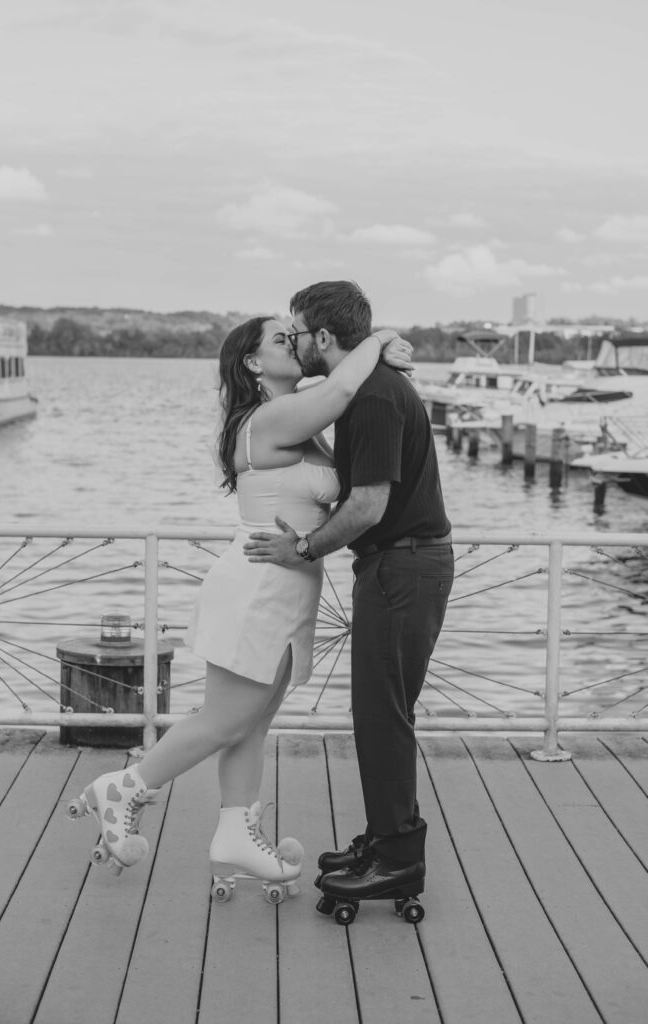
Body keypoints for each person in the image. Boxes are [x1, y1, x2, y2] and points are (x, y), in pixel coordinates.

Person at [67, 312, 412, 900]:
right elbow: (344, 388)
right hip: (258, 589)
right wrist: (378, 339)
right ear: (254, 364)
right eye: (281, 339)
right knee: (226, 719)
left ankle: (236, 835)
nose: (294, 342)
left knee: (251, 725)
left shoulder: (294, 420)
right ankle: (125, 787)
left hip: (284, 587)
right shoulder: (269, 418)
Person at [244, 281, 454, 909]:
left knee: (382, 716)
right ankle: (388, 840)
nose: (295, 340)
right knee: (382, 713)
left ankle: (395, 859)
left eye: (299, 331)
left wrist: (304, 549)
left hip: (402, 568)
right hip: (401, 568)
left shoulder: (372, 399)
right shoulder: (369, 392)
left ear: (325, 338)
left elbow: (367, 504)